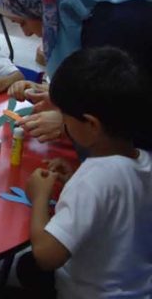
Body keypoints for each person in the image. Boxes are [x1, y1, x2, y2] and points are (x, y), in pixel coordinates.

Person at [0, 0, 152, 144]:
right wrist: (64, 100)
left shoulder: (110, 28)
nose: (27, 33)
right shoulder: (94, 2)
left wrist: (67, 123)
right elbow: (105, 91)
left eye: (22, 22)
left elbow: (127, 112)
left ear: (42, 2)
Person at [20, 47, 152, 299]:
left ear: (91, 125)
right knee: (26, 269)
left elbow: (46, 256)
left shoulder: (93, 178)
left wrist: (39, 197)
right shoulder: (144, 161)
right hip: (139, 288)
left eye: (65, 118)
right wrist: (73, 181)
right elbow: (119, 208)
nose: (63, 124)